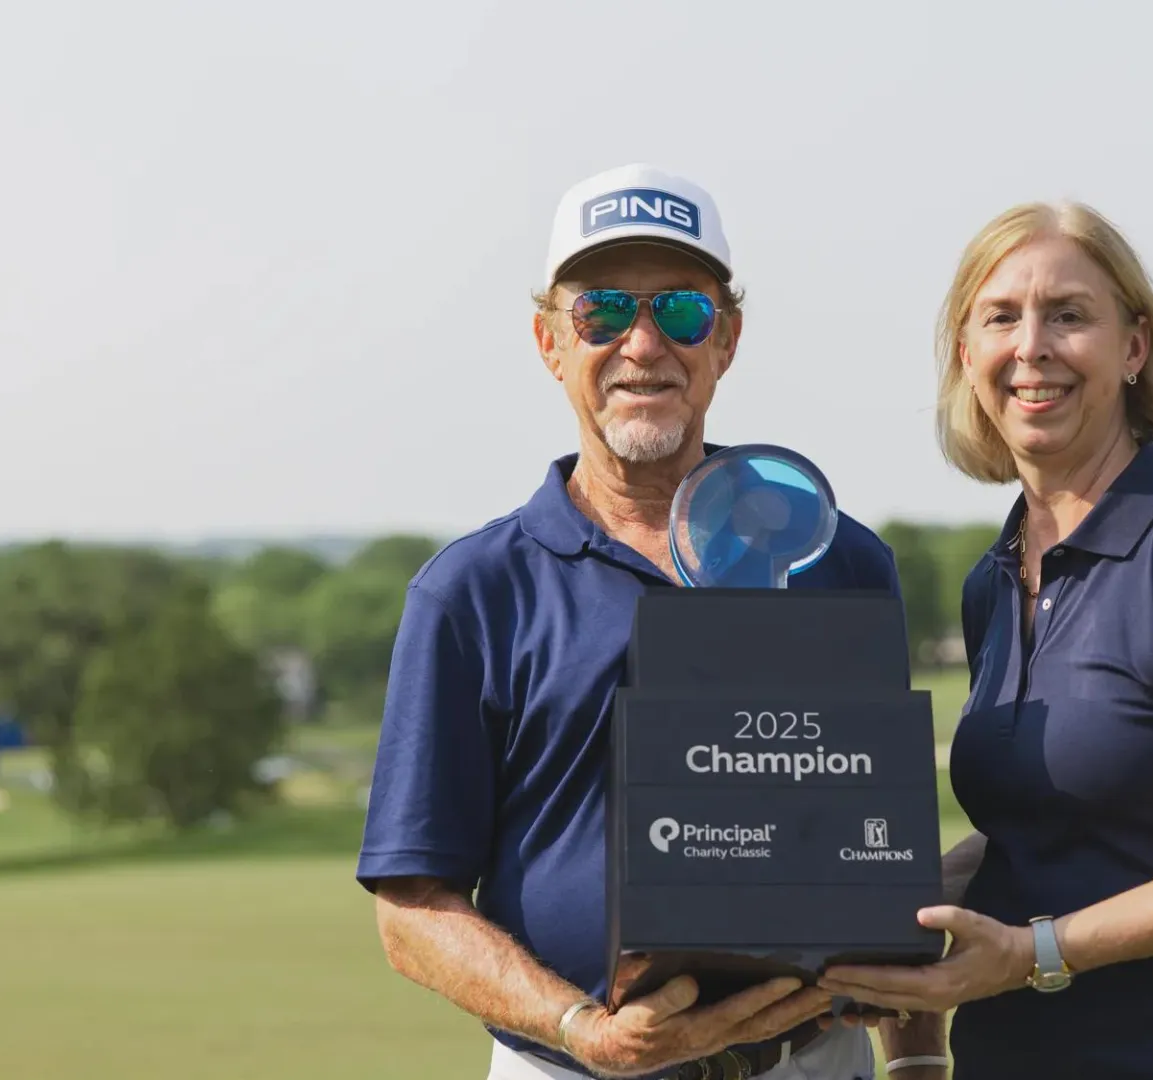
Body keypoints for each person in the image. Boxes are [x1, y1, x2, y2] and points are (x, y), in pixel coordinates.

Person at [355, 162, 897, 1080]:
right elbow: (411, 908)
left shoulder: (836, 556)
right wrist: (578, 1027)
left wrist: (918, 1058)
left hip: (819, 1060)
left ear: (725, 340)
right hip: (576, 1068)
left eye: (681, 312)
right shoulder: (471, 591)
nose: (643, 344)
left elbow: (882, 851)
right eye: (602, 312)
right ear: (550, 342)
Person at [816, 201, 1153, 1079]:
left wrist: (1038, 951)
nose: (1032, 346)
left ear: (1133, 349)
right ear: (966, 356)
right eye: (1000, 317)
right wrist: (879, 912)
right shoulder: (993, 581)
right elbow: (1044, 832)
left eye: (1069, 315)